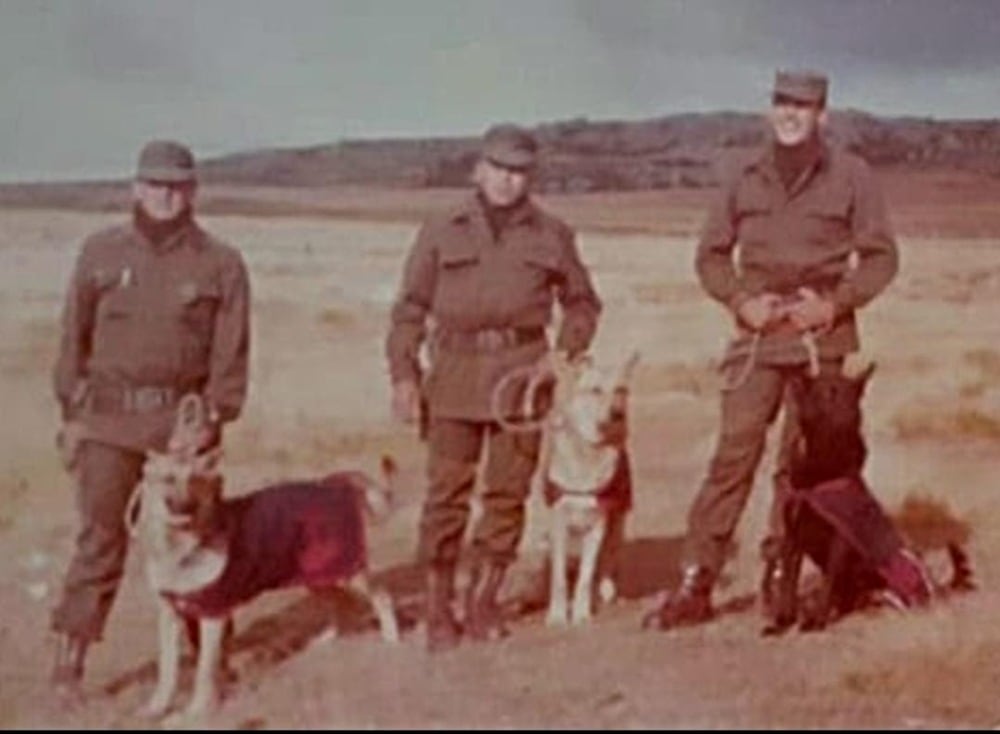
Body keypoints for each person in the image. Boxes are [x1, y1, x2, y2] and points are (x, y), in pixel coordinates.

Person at [647, 70, 899, 630]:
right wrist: (739, 301)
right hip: (758, 338)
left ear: (822, 116)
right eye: (782, 103)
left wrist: (834, 304)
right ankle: (696, 582)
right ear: (770, 110)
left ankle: (781, 577)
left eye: (803, 106)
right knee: (733, 457)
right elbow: (711, 255)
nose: (790, 114)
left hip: (819, 340)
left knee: (801, 469)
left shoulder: (852, 176)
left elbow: (881, 258)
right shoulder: (743, 173)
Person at [386, 124, 602, 652]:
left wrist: (559, 357)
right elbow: (410, 309)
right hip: (454, 375)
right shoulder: (441, 228)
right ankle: (439, 607)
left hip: (522, 381)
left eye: (519, 172)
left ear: (531, 177)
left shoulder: (553, 234)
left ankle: (484, 600)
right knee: (446, 496)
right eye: (499, 169)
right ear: (478, 170)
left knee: (507, 495)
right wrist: (404, 375)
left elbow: (582, 304)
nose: (507, 181)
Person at [50, 140, 251, 699]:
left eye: (179, 185)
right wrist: (73, 412)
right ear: (136, 187)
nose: (167, 195)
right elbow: (73, 341)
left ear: (194, 191)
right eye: (156, 184)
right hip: (109, 422)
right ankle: (72, 655)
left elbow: (231, 356)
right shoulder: (100, 253)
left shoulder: (220, 263)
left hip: (179, 428)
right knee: (100, 536)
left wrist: (211, 417)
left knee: (198, 539)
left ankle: (209, 653)